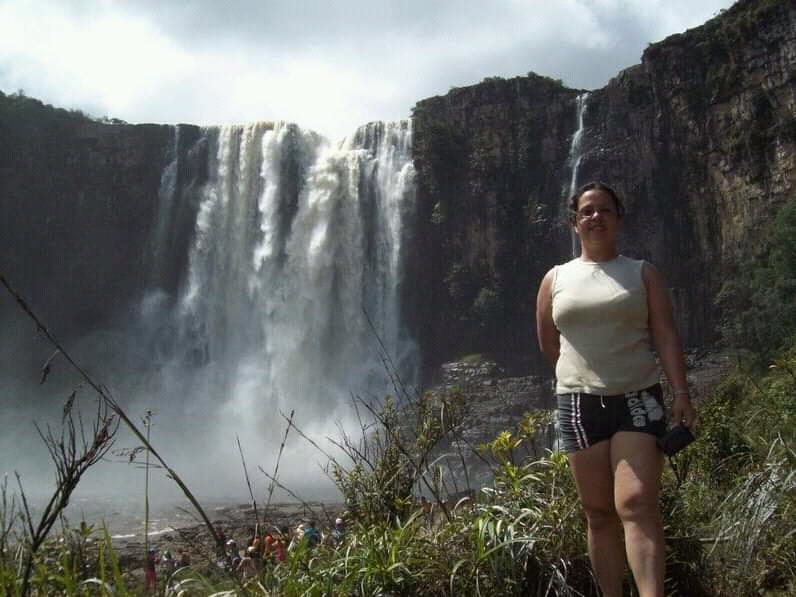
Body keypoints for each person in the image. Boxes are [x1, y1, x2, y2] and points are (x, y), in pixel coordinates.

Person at [535, 181, 696, 597]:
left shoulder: (642, 273)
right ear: (574, 223)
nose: (596, 217)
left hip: (637, 398)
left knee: (636, 504)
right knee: (598, 513)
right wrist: (579, 377)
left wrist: (680, 392)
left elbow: (665, 335)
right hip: (578, 404)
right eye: (587, 211)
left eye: (604, 209)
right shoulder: (555, 279)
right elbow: (548, 341)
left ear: (618, 218)